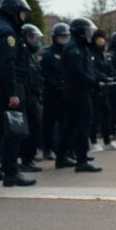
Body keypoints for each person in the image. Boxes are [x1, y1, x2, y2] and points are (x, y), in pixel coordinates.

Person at [0, 0, 35, 187]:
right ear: (14, 11)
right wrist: (12, 92)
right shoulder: (7, 32)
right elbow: (6, 63)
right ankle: (11, 172)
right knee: (14, 129)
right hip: (6, 85)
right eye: (22, 12)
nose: (24, 17)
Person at [56, 18, 102, 172]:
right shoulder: (75, 49)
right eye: (87, 32)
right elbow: (79, 73)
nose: (90, 35)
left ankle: (61, 158)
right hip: (78, 91)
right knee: (84, 124)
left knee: (69, 125)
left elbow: (87, 71)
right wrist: (94, 82)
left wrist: (97, 79)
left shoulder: (78, 47)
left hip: (74, 91)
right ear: (80, 33)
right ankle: (81, 161)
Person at [40, 22, 71, 161]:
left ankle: (64, 150)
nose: (64, 40)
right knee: (49, 122)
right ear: (54, 37)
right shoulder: (47, 53)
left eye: (66, 37)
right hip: (51, 93)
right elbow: (42, 75)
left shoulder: (69, 53)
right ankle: (47, 149)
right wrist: (55, 83)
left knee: (65, 122)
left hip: (65, 93)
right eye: (61, 37)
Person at [18, 23, 45, 173]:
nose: (35, 41)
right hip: (26, 96)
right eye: (32, 37)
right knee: (27, 129)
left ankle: (29, 158)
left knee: (35, 128)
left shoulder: (31, 56)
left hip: (34, 95)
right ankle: (24, 160)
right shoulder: (21, 53)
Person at [88, 29, 114, 152]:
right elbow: (92, 70)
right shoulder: (91, 53)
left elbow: (108, 69)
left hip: (104, 90)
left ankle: (107, 139)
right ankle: (92, 140)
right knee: (95, 116)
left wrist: (111, 77)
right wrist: (102, 77)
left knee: (107, 113)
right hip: (94, 90)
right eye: (99, 38)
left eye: (103, 38)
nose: (101, 41)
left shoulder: (104, 54)